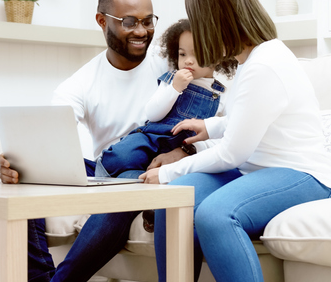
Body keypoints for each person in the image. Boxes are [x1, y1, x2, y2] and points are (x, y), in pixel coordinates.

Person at [123, 0, 331, 282]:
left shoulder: (264, 65)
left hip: (304, 175)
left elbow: (231, 155)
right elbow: (249, 119)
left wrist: (168, 170)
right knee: (175, 201)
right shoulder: (251, 61)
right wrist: (210, 125)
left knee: (215, 214)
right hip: (259, 170)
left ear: (214, 20)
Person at [0, 0, 192, 282]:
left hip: (147, 170)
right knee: (9, 171)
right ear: (102, 21)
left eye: (148, 21)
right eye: (129, 22)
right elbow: (47, 139)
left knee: (123, 189)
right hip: (107, 168)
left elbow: (212, 117)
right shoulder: (82, 82)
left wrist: (184, 152)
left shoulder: (173, 63)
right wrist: (15, 159)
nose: (142, 31)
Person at [94, 18, 234, 179]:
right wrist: (175, 88)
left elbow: (223, 134)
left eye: (197, 54)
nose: (188, 60)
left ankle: (129, 179)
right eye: (182, 54)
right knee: (122, 157)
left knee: (140, 177)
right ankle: (100, 172)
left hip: (181, 149)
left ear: (217, 57)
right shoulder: (172, 79)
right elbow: (152, 114)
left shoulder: (222, 95)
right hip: (151, 139)